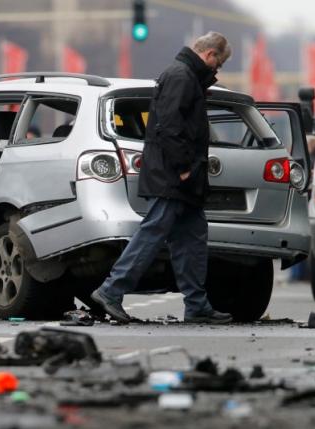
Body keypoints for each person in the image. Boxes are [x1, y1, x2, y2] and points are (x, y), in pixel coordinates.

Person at [91, 32, 233, 324]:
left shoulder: (186, 76)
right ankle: (110, 291)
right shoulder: (181, 76)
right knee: (154, 232)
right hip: (174, 175)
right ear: (210, 55)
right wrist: (183, 166)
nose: (217, 70)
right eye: (218, 64)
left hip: (183, 176)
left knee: (192, 239)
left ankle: (197, 305)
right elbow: (169, 125)